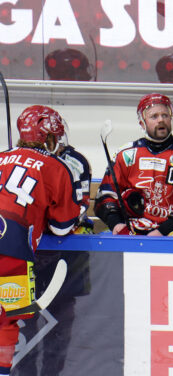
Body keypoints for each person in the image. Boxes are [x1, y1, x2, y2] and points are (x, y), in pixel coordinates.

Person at [0, 105, 81, 376]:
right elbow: (62, 226)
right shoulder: (56, 166)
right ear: (48, 137)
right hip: (11, 244)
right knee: (6, 319)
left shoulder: (1, 156)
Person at [94, 93, 173, 236]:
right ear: (142, 123)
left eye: (165, 115)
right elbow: (105, 196)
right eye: (154, 116)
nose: (161, 120)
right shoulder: (126, 154)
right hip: (133, 230)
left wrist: (162, 231)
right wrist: (116, 224)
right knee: (104, 238)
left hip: (172, 231)